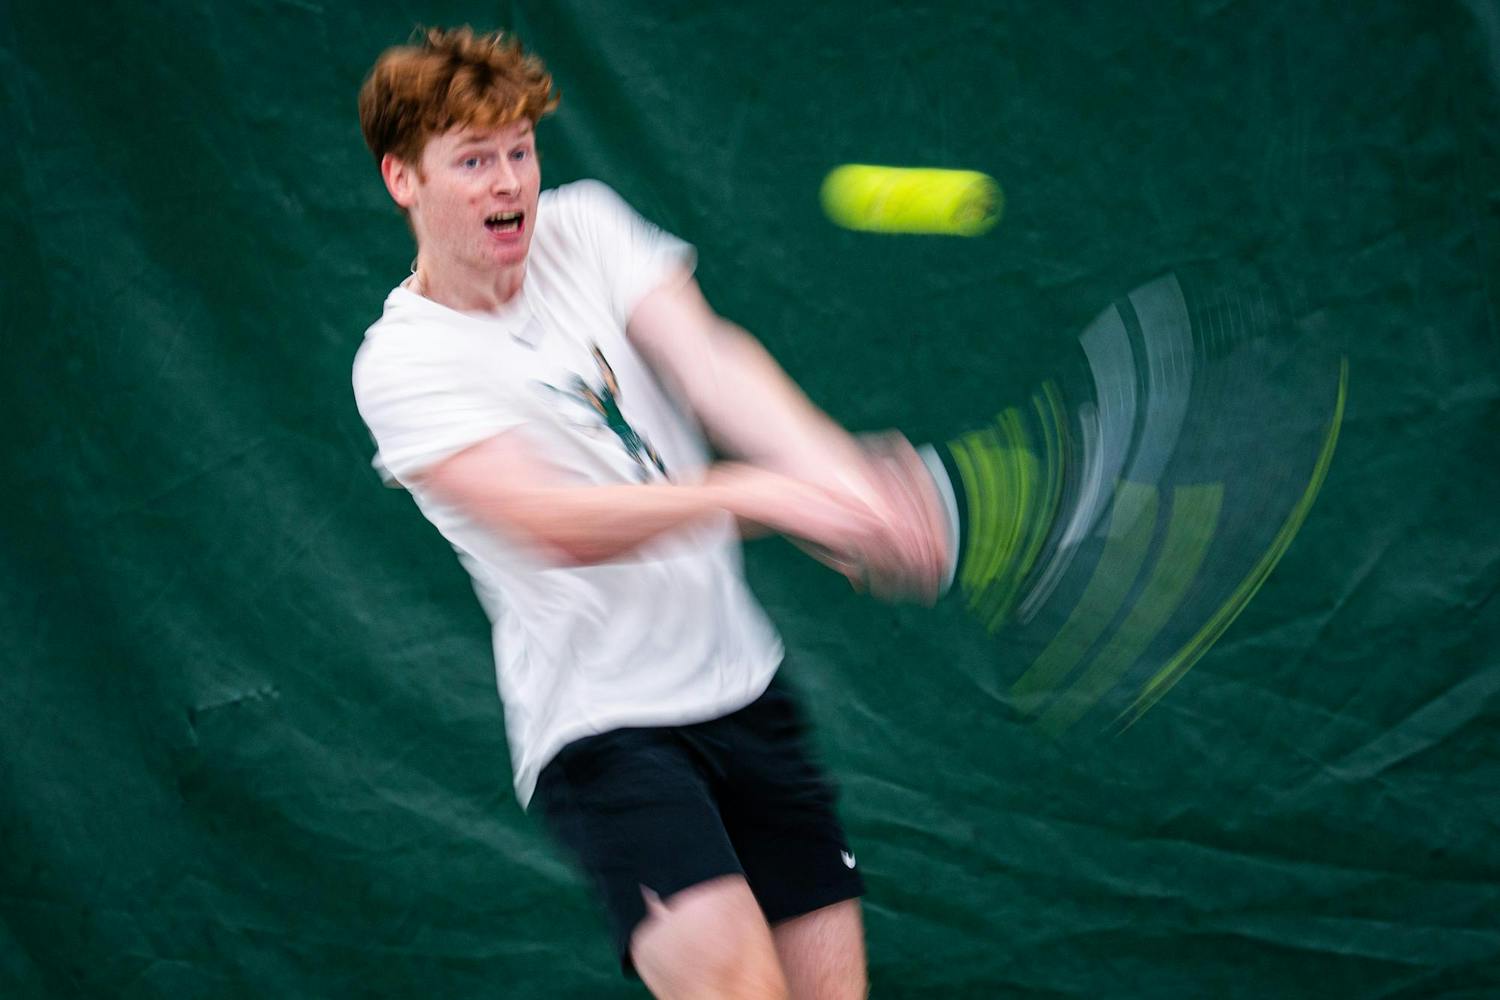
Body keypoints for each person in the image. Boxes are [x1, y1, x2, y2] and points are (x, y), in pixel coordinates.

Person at [353, 26, 947, 1000]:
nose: (509, 183)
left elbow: (711, 364)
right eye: (473, 160)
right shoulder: (403, 363)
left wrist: (840, 480)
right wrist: (752, 494)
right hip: (606, 735)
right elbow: (552, 523)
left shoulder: (587, 227)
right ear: (402, 179)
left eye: (519, 151)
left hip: (745, 690)